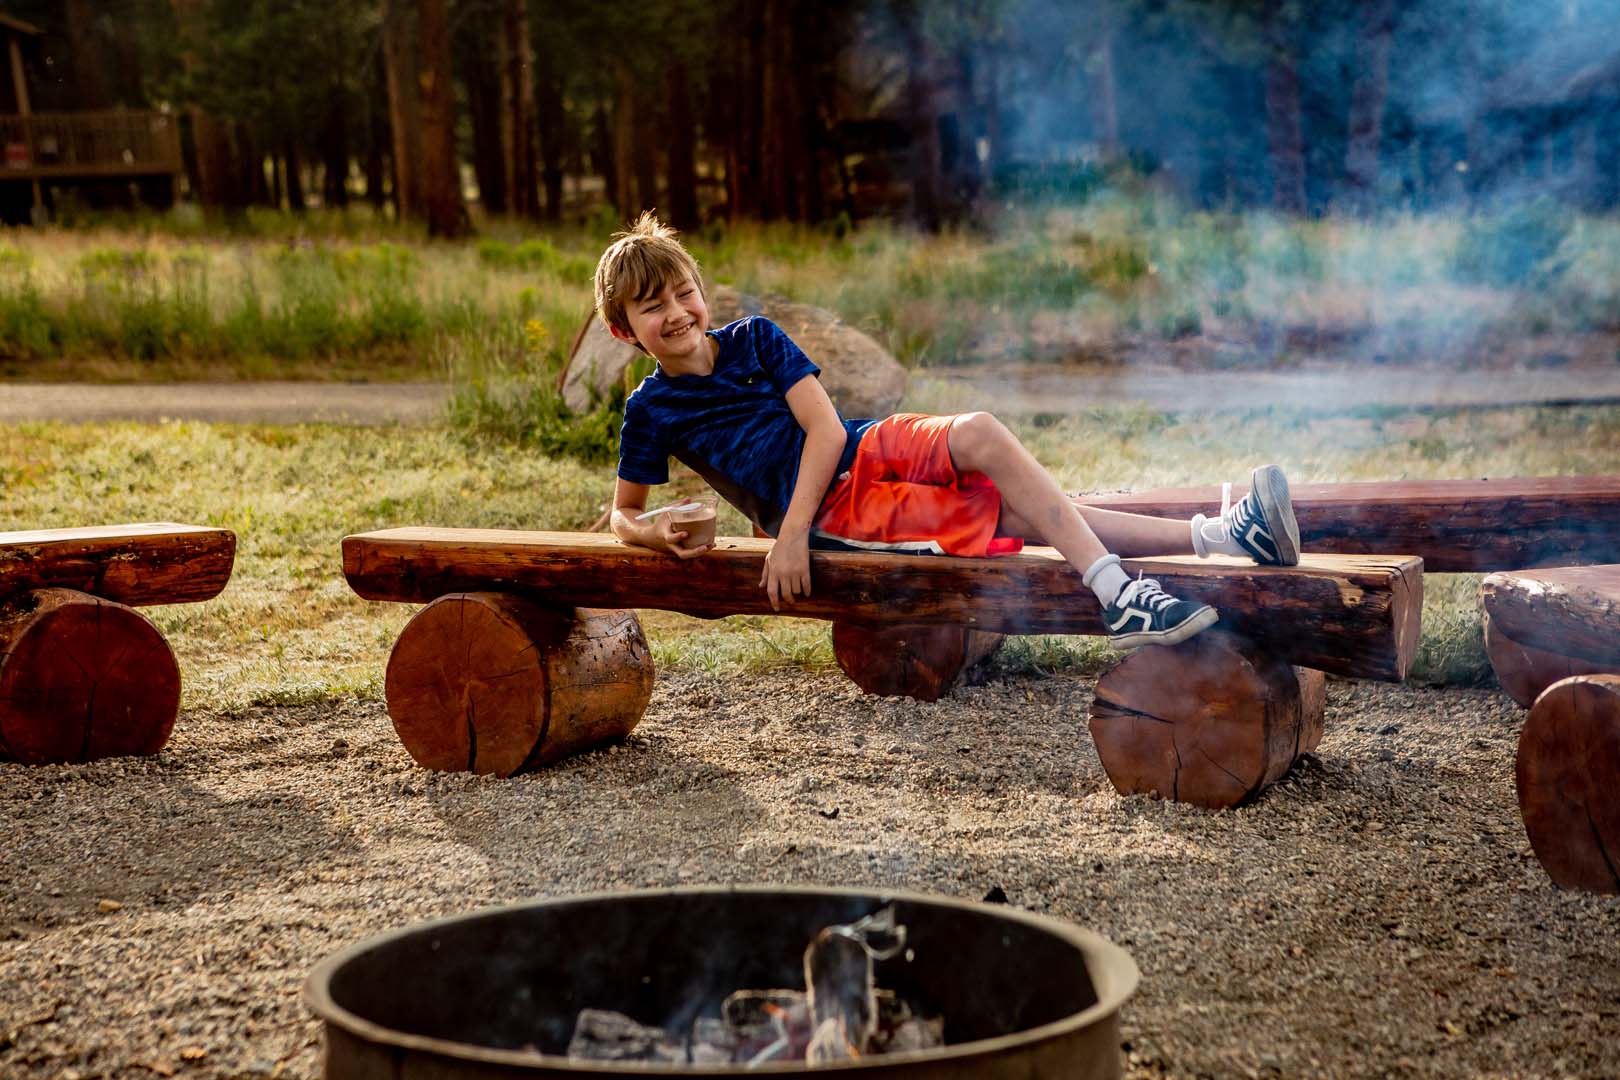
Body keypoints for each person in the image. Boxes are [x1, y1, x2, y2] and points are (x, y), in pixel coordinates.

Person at [594, 213, 1300, 649]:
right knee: (1023, 512)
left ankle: (1151, 578)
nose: (679, 312)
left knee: (984, 432)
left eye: (683, 291)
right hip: (845, 512)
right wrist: (653, 529)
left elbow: (826, 431)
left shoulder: (755, 337)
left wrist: (791, 536)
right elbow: (622, 514)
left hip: (857, 449)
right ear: (625, 331)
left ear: (700, 287)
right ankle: (1194, 553)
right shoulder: (651, 411)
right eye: (653, 308)